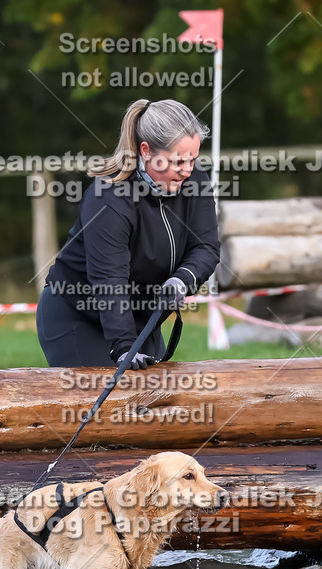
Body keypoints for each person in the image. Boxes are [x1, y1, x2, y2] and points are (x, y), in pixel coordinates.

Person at [38, 98, 221, 369]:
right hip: (81, 317)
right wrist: (124, 346)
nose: (187, 171)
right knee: (108, 408)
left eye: (193, 159)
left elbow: (206, 247)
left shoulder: (195, 181)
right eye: (177, 161)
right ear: (146, 151)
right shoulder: (109, 198)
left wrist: (182, 280)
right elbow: (109, 279)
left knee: (152, 407)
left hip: (142, 320)